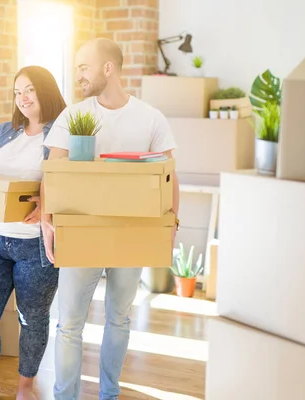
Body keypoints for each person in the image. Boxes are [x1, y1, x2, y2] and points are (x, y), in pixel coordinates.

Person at [40, 38, 180, 400]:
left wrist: (171, 224)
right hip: (81, 232)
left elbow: (169, 176)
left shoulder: (150, 117)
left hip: (131, 234)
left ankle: (110, 394)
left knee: (120, 319)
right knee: (69, 324)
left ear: (108, 68)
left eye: (84, 67)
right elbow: (52, 172)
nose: (78, 75)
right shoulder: (73, 115)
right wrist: (47, 223)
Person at [0, 65, 66, 400]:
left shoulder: (61, 135)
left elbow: (71, 184)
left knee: (33, 318)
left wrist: (47, 200)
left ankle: (26, 385)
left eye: (30, 90)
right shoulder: (4, 132)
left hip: (34, 246)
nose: (22, 98)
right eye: (17, 91)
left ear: (46, 91)